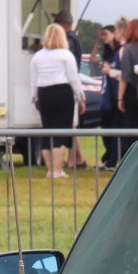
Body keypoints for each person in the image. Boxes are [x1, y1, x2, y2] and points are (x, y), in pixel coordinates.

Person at [28, 22, 84, 178]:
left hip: (44, 93)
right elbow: (73, 78)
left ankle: (49, 169)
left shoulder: (37, 56)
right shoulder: (66, 55)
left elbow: (33, 79)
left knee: (47, 130)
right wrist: (81, 95)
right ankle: (57, 170)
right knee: (61, 131)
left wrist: (34, 96)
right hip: (62, 93)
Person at [53, 10, 87, 169]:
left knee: (71, 126)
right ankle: (78, 159)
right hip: (71, 87)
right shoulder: (74, 38)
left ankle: (73, 160)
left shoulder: (70, 40)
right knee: (72, 125)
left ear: (63, 24)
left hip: (67, 87)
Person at [115, 18, 138, 161]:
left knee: (130, 126)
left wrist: (120, 98)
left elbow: (125, 76)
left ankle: (129, 158)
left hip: (131, 91)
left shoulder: (128, 49)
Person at [96, 25, 120, 168]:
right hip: (106, 96)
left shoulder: (119, 52)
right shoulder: (106, 52)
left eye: (106, 34)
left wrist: (109, 71)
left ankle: (112, 159)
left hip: (115, 95)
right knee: (105, 127)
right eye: (102, 35)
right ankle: (108, 156)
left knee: (115, 128)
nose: (104, 37)